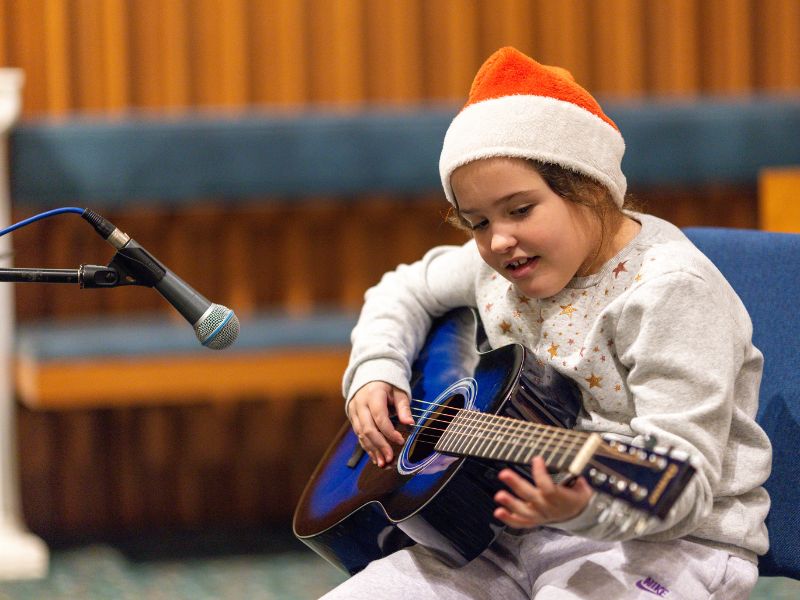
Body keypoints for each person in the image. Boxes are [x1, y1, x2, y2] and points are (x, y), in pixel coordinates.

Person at [322, 47, 771, 599]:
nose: (498, 240)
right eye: (477, 221)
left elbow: (684, 482)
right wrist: (375, 368)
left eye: (520, 209)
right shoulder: (499, 270)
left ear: (590, 187)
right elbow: (402, 288)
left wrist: (583, 507)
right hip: (511, 531)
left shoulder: (668, 293)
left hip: (673, 542)